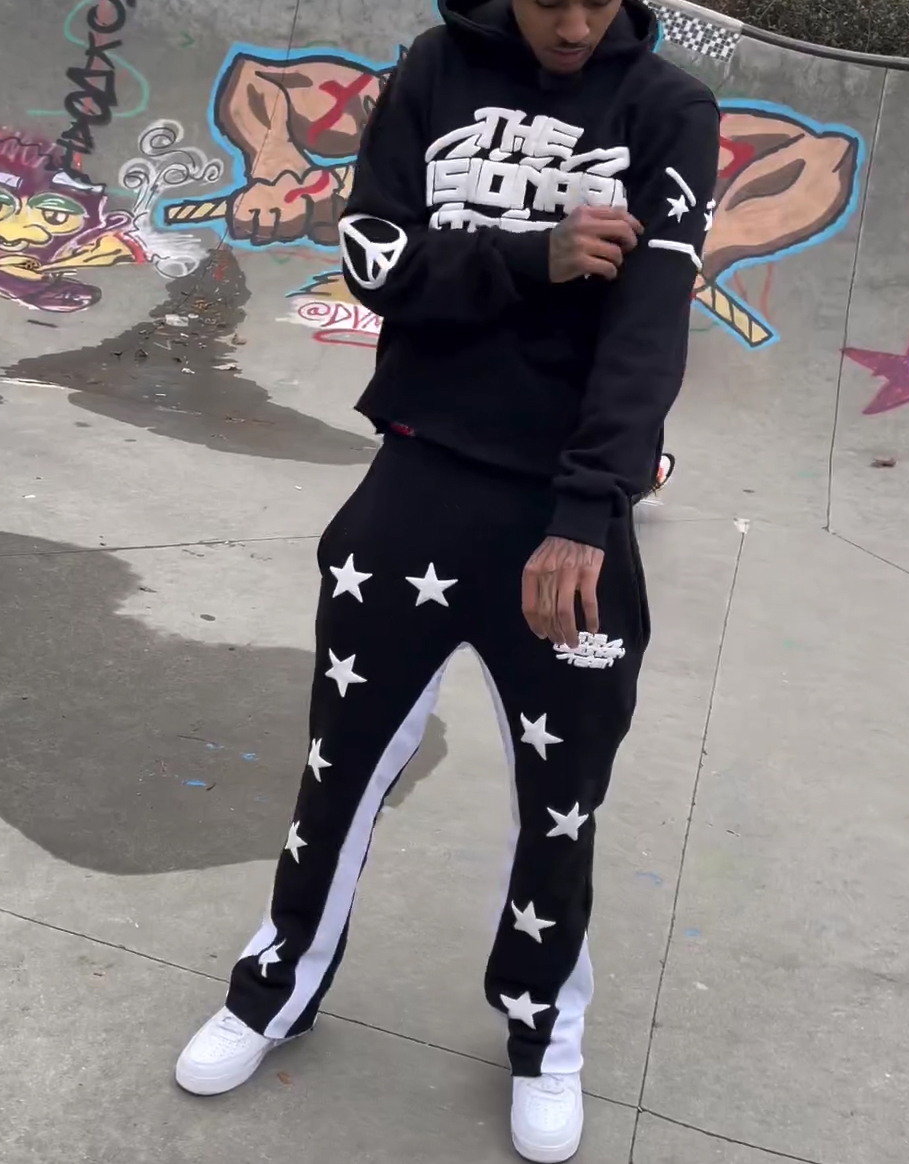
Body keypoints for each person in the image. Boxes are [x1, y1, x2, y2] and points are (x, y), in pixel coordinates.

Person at [175, 0, 719, 1159]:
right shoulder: (437, 67)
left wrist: (589, 511)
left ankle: (542, 1030)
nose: (574, 23)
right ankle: (275, 985)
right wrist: (536, 255)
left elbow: (649, 327)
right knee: (340, 765)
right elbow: (375, 261)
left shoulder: (666, 107)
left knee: (561, 799)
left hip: (566, 514)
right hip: (418, 475)